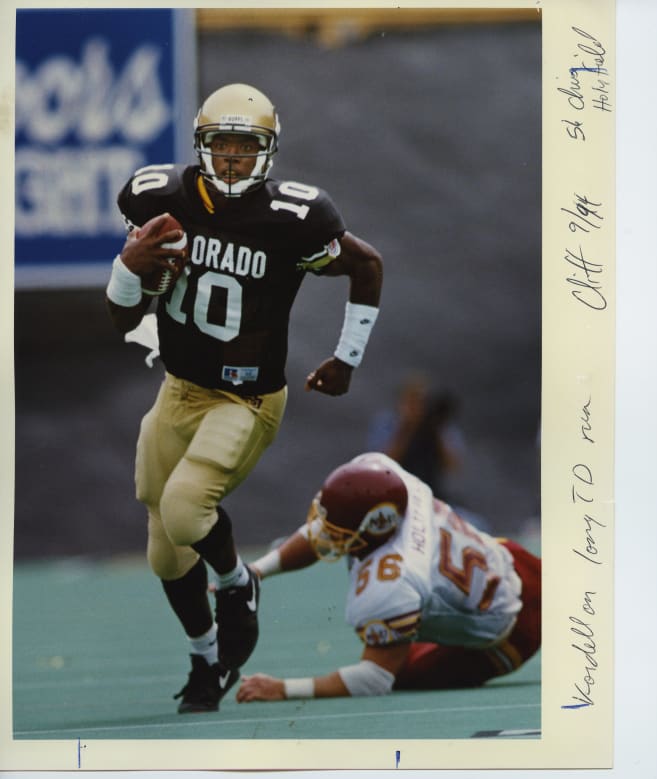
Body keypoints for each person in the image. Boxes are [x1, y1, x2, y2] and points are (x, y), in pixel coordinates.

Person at [104, 83, 383, 713]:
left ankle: (238, 585)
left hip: (247, 399)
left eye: (245, 147)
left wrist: (348, 356)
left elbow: (366, 264)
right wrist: (128, 266)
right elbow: (121, 320)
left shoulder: (294, 216)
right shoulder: (160, 198)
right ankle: (207, 659)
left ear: (268, 151)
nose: (232, 159)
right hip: (179, 389)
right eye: (221, 146)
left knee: (182, 510)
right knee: (162, 541)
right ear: (202, 147)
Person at [236, 452, 540, 702]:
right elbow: (327, 532)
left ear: (378, 525)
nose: (324, 533)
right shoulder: (392, 482)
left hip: (513, 629)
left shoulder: (393, 581)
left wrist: (282, 689)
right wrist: (258, 570)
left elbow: (375, 679)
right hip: (509, 559)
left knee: (401, 670)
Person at [367, 373, 464, 499]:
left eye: (422, 402)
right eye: (412, 401)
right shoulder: (388, 423)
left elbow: (453, 466)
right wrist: (407, 428)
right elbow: (383, 462)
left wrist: (435, 428)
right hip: (393, 490)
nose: (417, 407)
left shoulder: (439, 426)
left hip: (432, 492)